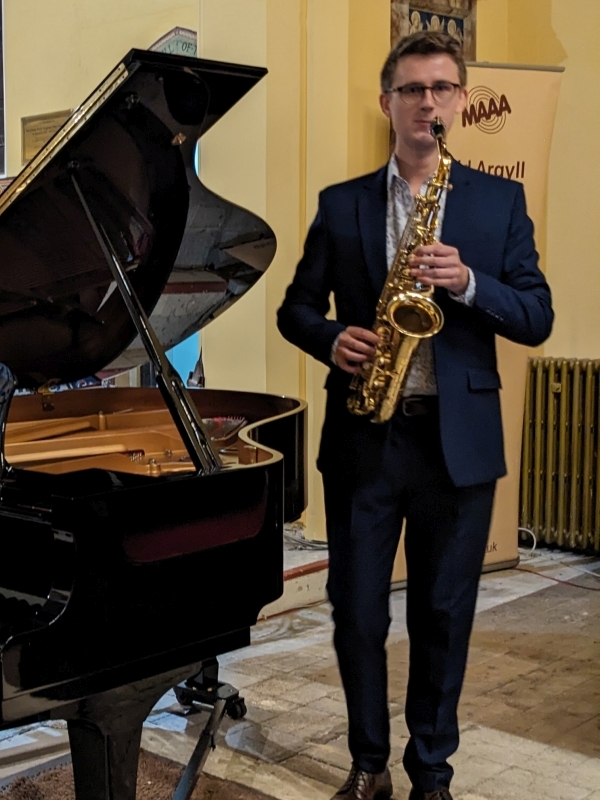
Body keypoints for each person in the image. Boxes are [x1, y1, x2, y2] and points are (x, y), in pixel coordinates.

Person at [277, 31, 553, 800]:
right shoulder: (341, 205)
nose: (426, 102)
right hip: (367, 435)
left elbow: (536, 316)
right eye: (410, 89)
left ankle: (430, 770)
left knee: (443, 612)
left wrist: (468, 281)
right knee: (357, 613)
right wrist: (333, 339)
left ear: (460, 100)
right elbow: (296, 309)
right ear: (387, 102)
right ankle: (369, 765)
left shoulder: (499, 201)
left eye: (440, 88)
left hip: (457, 442)